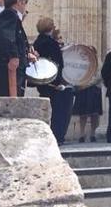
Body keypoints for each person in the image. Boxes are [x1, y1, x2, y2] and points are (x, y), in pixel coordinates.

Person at [0, 0, 36, 97]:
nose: (25, 6)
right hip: (8, 69)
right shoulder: (9, 14)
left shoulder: (11, 16)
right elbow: (5, 35)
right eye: (25, 2)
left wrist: (26, 55)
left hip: (13, 68)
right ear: (19, 1)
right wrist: (13, 56)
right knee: (10, 102)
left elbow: (15, 40)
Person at [33, 17, 74, 145]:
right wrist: (59, 82)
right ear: (50, 27)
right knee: (59, 112)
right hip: (53, 82)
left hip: (43, 82)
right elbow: (56, 62)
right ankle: (58, 136)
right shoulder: (50, 43)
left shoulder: (38, 42)